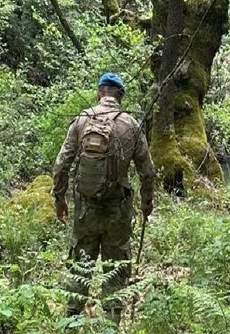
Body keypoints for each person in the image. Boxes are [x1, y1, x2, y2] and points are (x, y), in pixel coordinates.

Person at [52, 73, 155, 323]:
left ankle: (70, 323)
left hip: (85, 209)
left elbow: (61, 164)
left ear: (100, 92)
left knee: (80, 268)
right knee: (116, 270)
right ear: (119, 96)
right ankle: (110, 323)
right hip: (117, 212)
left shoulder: (82, 120)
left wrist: (60, 199)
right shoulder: (130, 125)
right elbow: (147, 170)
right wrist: (146, 204)